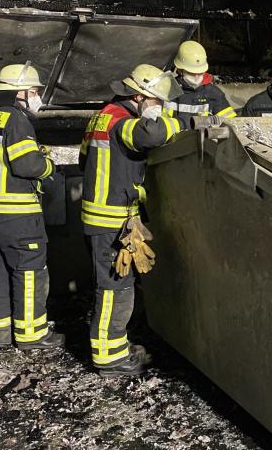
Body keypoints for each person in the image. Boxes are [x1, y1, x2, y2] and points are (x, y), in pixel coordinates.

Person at [79, 64, 187, 377]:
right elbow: (151, 134)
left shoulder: (101, 115)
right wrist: (173, 123)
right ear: (139, 96)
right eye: (156, 101)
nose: (160, 107)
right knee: (115, 288)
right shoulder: (121, 120)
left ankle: (117, 346)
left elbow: (83, 158)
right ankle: (109, 359)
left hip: (101, 215)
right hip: (110, 219)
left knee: (115, 285)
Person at [0, 62, 64, 351]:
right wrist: (48, 165)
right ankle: (31, 335)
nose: (37, 96)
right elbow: (27, 165)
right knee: (29, 271)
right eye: (34, 90)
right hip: (17, 214)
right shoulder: (16, 120)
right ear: (20, 92)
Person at [167, 40, 237, 125]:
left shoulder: (214, 93)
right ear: (179, 70)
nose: (196, 77)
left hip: (202, 138)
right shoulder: (167, 89)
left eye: (200, 72)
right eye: (191, 73)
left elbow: (232, 124)